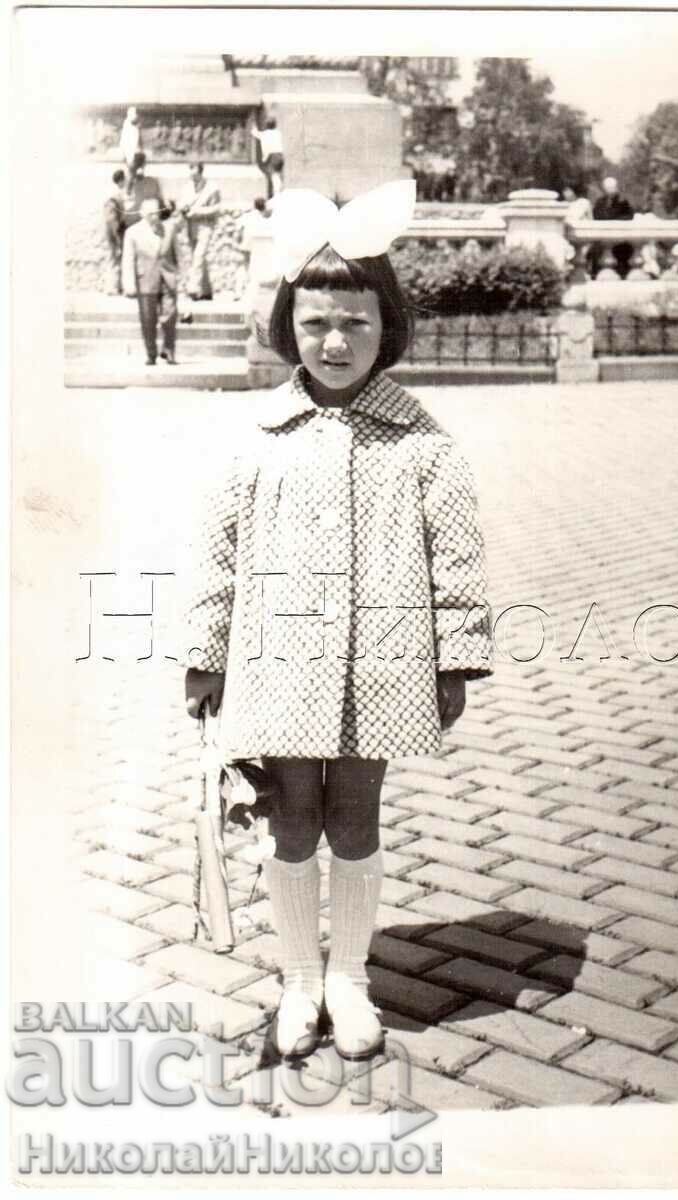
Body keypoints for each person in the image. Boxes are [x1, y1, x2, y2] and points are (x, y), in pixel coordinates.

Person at [180, 180, 493, 1062]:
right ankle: (297, 980)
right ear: (290, 328)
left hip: (382, 666)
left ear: (384, 327)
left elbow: (455, 557)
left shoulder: (420, 439)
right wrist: (204, 655)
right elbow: (217, 553)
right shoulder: (257, 436)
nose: (335, 341)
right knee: (291, 820)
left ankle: (349, 978)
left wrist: (456, 659)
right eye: (317, 322)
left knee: (355, 817)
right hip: (275, 664)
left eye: (356, 323)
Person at [121, 198, 182, 365]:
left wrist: (182, 277)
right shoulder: (132, 232)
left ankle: (169, 350)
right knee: (148, 319)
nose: (154, 216)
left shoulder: (169, 229)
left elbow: (179, 255)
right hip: (145, 280)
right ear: (142, 214)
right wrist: (129, 284)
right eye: (150, 213)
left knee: (170, 315)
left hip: (167, 279)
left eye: (156, 212)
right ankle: (151, 353)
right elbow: (128, 259)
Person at [181, 162, 222, 301]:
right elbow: (183, 203)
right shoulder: (187, 187)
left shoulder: (212, 188)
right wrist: (184, 209)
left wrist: (197, 212)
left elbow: (216, 209)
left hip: (205, 225)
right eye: (190, 169)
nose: (192, 173)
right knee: (197, 257)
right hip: (191, 226)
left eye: (194, 170)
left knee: (199, 255)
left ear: (200, 171)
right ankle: (206, 291)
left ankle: (194, 289)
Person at [591, 176, 635, 278]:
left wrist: (615, 221)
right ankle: (596, 273)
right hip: (602, 235)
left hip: (619, 237)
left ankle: (622, 273)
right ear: (604, 188)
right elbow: (596, 215)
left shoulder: (623, 202)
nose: (611, 189)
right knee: (595, 249)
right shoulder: (600, 202)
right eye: (608, 187)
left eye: (613, 187)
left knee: (624, 249)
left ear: (616, 187)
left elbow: (629, 216)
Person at [233, 196, 270, 302]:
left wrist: (237, 242)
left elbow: (238, 229)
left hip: (245, 244)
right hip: (256, 245)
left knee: (242, 267)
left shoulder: (246, 216)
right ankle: (250, 291)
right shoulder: (263, 218)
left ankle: (238, 291)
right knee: (253, 268)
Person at [122, 152, 165, 229]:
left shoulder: (133, 180)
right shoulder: (153, 180)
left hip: (141, 215)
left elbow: (128, 193)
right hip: (149, 215)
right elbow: (160, 201)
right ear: (144, 163)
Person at [103, 169, 128, 295]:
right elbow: (111, 217)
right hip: (115, 229)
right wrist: (117, 234)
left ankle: (114, 286)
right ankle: (112, 287)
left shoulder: (115, 194)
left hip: (114, 229)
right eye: (125, 179)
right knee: (114, 257)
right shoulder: (114, 196)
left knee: (114, 257)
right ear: (121, 180)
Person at [252, 118, 285, 199]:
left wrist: (253, 126)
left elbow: (255, 134)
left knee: (274, 176)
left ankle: (277, 195)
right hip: (280, 155)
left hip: (272, 156)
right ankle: (277, 193)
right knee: (278, 175)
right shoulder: (278, 133)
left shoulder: (265, 134)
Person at [119, 105, 141, 169]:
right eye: (135, 114)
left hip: (134, 150)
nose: (136, 116)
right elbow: (124, 140)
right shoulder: (127, 124)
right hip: (129, 149)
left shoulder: (135, 126)